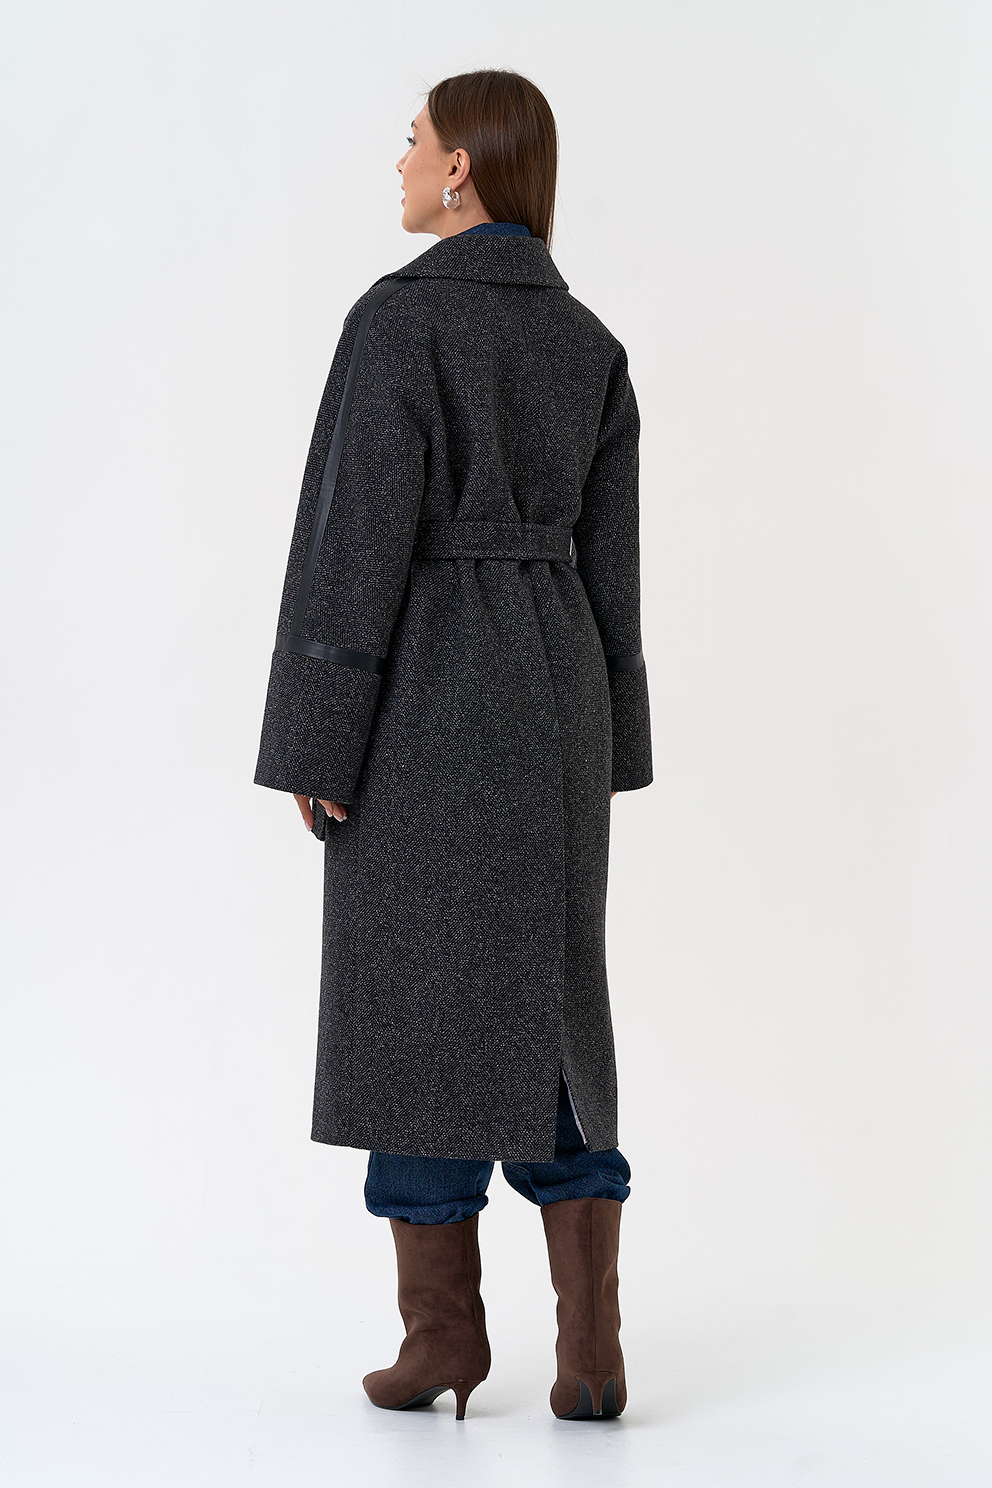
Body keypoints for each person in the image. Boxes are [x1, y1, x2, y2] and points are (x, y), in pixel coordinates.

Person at [254, 68, 652, 1422]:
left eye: (415, 139)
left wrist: (320, 739)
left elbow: (352, 546)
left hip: (428, 694)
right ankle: (590, 1353)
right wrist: (615, 738)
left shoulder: (398, 320)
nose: (405, 160)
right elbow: (614, 569)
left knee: (415, 1001)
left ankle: (445, 1340)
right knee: (550, 998)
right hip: (557, 693)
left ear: (464, 167)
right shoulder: (590, 343)